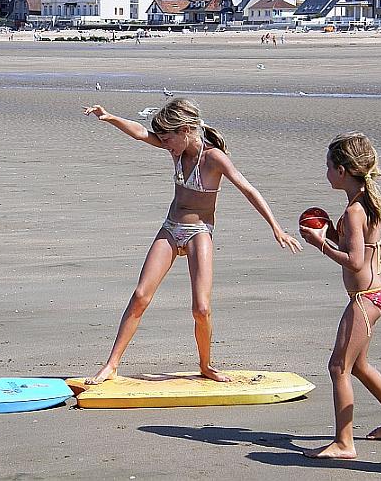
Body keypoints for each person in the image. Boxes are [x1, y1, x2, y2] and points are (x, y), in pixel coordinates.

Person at [82, 98, 302, 384]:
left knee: (201, 308)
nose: (164, 144)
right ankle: (111, 365)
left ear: (185, 130)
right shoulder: (176, 149)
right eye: (162, 139)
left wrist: (276, 228)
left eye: (167, 139)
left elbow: (248, 189)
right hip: (171, 228)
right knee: (140, 296)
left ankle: (206, 365)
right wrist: (110, 117)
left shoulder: (213, 158)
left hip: (199, 232)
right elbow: (139, 132)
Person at [299, 132, 381, 459]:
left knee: (338, 367)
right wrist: (332, 234)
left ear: (342, 170)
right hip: (375, 294)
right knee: (358, 364)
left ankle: (344, 442)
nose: (326, 172)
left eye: (328, 166)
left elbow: (355, 260)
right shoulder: (362, 203)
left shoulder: (354, 210)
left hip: (366, 297)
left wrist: (320, 244)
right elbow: (356, 244)